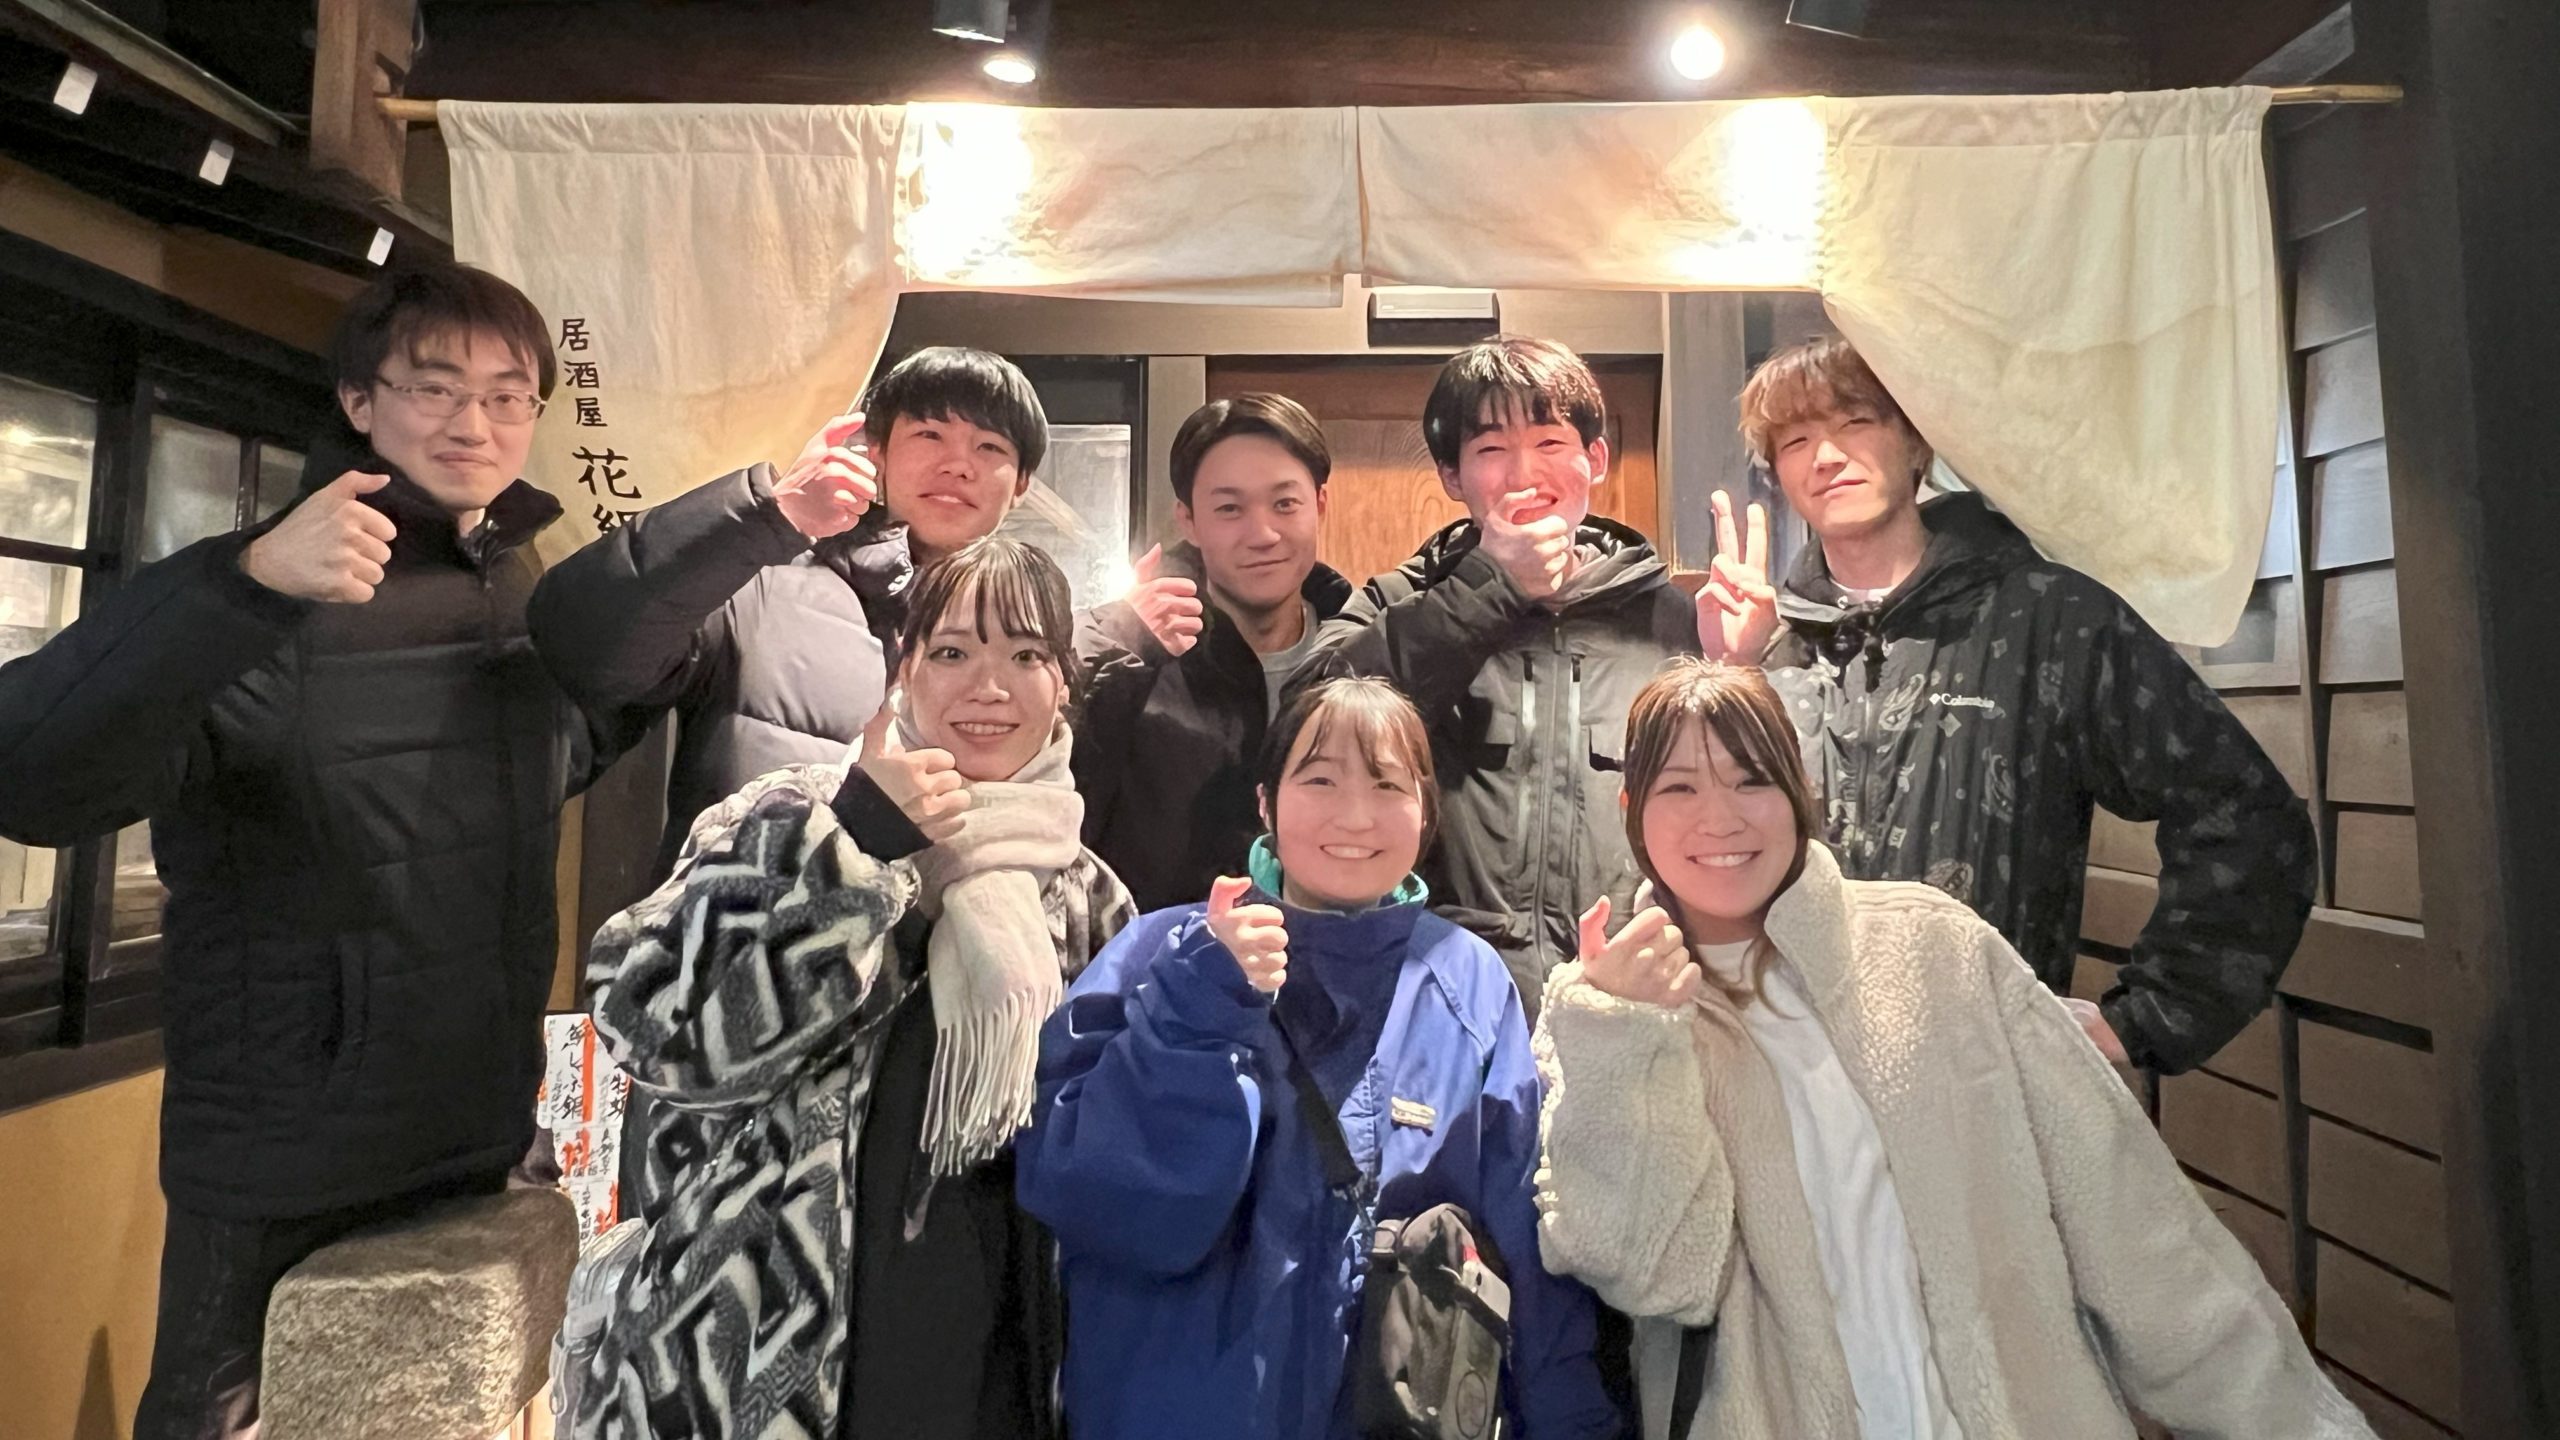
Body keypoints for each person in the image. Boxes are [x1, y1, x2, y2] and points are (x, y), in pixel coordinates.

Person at [0, 263, 645, 1439]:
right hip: (282, 1163)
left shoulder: (514, 582)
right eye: (435, 387)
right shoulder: (266, 583)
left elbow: (554, 767)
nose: (475, 423)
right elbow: (34, 777)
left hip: (469, 1138)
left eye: (508, 396)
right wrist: (240, 585)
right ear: (359, 399)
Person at [1532, 659, 2375, 1440]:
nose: (1720, 817)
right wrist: (1627, 1031)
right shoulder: (1601, 1012)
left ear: (1799, 790)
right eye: (1679, 786)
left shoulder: (1932, 945)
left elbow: (2139, 1231)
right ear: (1632, 809)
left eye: (1752, 778)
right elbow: (1654, 1276)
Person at [573, 537, 1134, 1440]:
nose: (990, 686)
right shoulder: (795, 812)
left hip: (994, 1357)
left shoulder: (1088, 895)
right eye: (952, 651)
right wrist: (855, 848)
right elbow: (650, 1027)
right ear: (904, 669)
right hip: (760, 1354)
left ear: (1062, 683)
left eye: (1027, 655)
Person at [1017, 677, 1623, 1440]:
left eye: (1387, 785)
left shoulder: (1466, 980)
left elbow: (1526, 1251)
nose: (1355, 816)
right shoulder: (1160, 952)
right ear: (1266, 804)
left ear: (1426, 812)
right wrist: (1201, 1002)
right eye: (1320, 780)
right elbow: (1110, 1210)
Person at [1698, 336, 2315, 1073]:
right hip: (1793, 1082)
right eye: (1796, 441)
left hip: (1986, 1080)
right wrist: (1734, 671)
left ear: (1916, 441)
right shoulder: (1770, 652)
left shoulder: (2048, 619)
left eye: (1855, 422)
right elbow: (1702, 853)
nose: (1826, 456)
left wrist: (2148, 1018)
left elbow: (2243, 810)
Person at [1294, 334, 1715, 1013]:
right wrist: (1490, 586)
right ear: (1452, 476)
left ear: (1595, 459)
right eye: (1491, 450)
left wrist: (1750, 661)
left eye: (1550, 443)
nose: (1525, 474)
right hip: (1435, 997)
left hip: (1630, 995)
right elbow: (1307, 724)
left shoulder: (1675, 621)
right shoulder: (1399, 602)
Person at [528, 344, 1050, 879]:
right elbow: (582, 642)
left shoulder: (1036, 651)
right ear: (877, 452)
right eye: (930, 434)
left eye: (989, 446)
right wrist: (772, 514)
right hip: (745, 925)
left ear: (1021, 485)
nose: (958, 465)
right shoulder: (760, 588)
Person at [1072, 393, 1353, 910]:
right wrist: (1119, 644)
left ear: (1320, 505)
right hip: (1158, 952)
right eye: (1229, 509)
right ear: (1188, 520)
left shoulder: (1360, 650)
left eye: (1285, 504)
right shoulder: (1129, 652)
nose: (1262, 534)